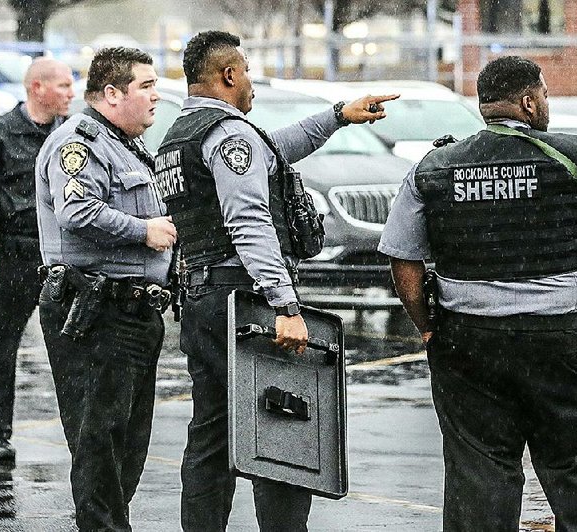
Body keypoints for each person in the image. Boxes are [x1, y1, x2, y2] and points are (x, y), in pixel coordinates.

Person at [379, 55, 577, 531]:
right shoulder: (575, 153)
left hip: (470, 345)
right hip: (567, 344)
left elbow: (404, 260)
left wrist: (426, 327)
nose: (546, 105)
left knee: (480, 477)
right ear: (528, 101)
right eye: (544, 95)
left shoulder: (435, 167)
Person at [155, 30, 397, 531]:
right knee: (281, 423)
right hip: (244, 298)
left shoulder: (181, 137)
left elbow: (276, 148)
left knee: (213, 433)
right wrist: (285, 307)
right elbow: (249, 223)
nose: (250, 82)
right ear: (228, 75)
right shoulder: (229, 135)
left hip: (203, 297)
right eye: (244, 71)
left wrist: (336, 116)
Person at [34, 47, 176, 531]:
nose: (157, 95)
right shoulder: (80, 142)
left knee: (128, 443)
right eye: (146, 85)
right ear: (112, 94)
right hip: (95, 309)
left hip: (133, 312)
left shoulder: (127, 145)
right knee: (99, 440)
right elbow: (75, 213)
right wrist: (143, 231)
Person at [0, 57, 74, 461]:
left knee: (74, 346)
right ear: (36, 88)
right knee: (2, 345)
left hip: (60, 257)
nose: (71, 93)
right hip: (12, 256)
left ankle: (83, 437)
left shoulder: (71, 134)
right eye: (62, 86)